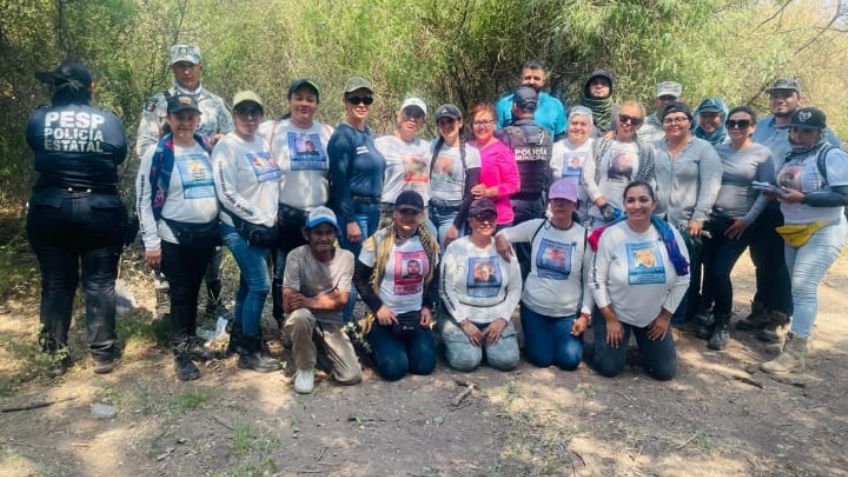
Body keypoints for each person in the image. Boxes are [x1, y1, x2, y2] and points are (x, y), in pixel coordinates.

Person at [26, 60, 128, 376]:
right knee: (99, 282)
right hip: (99, 209)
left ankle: (54, 356)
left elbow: (35, 146)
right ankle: (103, 355)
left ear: (54, 87)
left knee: (56, 282)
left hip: (51, 207)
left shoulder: (39, 118)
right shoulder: (108, 120)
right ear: (91, 88)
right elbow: (119, 154)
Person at [136, 44, 233, 321]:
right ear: (173, 68)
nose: (186, 70)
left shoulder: (214, 102)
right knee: (168, 255)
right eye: (180, 65)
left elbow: (230, 138)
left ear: (201, 67)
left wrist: (219, 142)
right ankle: (165, 309)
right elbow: (144, 144)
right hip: (170, 187)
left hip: (206, 185)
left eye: (191, 65)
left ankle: (215, 303)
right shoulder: (159, 102)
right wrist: (170, 158)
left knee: (213, 254)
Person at [745, 78, 841, 341]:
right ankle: (761, 309)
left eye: (787, 95)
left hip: (803, 211)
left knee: (790, 270)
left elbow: (835, 171)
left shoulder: (817, 128)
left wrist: (806, 196)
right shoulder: (761, 126)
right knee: (763, 260)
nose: (780, 99)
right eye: (776, 95)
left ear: (797, 97)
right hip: (765, 201)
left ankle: (780, 316)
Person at [136, 94, 219, 381]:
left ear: (198, 120)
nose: (185, 122)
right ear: (168, 119)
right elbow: (144, 199)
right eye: (179, 117)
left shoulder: (204, 147)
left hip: (205, 234)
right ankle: (181, 352)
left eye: (190, 117)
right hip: (172, 234)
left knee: (193, 289)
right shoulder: (158, 153)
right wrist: (151, 241)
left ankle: (191, 340)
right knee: (181, 293)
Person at [760, 107, 848, 374]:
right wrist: (776, 194)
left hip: (823, 229)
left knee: (802, 286)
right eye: (795, 129)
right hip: (794, 228)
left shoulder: (831, 155)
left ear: (819, 132)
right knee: (797, 286)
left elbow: (843, 194)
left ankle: (795, 354)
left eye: (805, 131)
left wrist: (805, 199)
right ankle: (801, 338)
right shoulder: (792, 155)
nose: (798, 134)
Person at [590, 181, 690, 380]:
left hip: (653, 316)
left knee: (665, 372)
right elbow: (596, 279)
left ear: (653, 204)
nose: (637, 206)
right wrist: (610, 318)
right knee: (609, 368)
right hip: (615, 312)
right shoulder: (612, 235)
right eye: (631, 200)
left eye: (643, 200)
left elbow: (683, 277)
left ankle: (640, 346)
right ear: (624, 205)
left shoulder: (669, 235)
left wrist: (665, 317)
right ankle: (603, 343)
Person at [213, 91, 280, 373]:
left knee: (246, 285)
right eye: (243, 112)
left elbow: (271, 182)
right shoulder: (227, 147)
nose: (249, 117)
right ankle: (250, 350)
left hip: (264, 227)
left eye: (255, 112)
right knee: (260, 284)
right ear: (234, 114)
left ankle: (239, 338)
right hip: (238, 227)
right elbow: (225, 192)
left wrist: (271, 216)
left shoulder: (262, 143)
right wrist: (259, 217)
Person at [496, 179, 592, 370]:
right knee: (541, 359)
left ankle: (556, 338)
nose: (560, 204)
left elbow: (590, 280)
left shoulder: (584, 237)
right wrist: (500, 239)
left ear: (575, 204)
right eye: (556, 200)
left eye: (565, 200)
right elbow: (505, 233)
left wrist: (585, 315)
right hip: (534, 309)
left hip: (566, 313)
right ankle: (535, 336)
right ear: (549, 202)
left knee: (569, 360)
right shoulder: (537, 227)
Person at [260, 79, 334, 328]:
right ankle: (285, 319)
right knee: (284, 271)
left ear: (317, 104)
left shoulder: (326, 132)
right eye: (299, 97)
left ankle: (315, 318)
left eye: (310, 99)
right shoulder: (272, 129)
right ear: (289, 100)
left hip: (319, 215)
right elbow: (242, 143)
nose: (304, 103)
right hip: (287, 214)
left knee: (318, 270)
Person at [698, 106, 773, 349]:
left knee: (721, 271)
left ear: (753, 127)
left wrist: (747, 220)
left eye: (742, 123)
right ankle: (709, 315)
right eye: (732, 123)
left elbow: (766, 192)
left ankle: (722, 325)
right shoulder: (716, 150)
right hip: (713, 219)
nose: (736, 128)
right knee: (709, 271)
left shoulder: (762, 154)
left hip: (739, 223)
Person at [354, 191, 440, 381]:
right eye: (404, 212)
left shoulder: (429, 244)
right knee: (394, 370)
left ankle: (405, 345)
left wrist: (427, 306)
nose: (408, 217)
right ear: (394, 213)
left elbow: (435, 276)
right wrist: (378, 307)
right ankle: (372, 341)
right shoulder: (378, 241)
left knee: (424, 366)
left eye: (414, 213)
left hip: (415, 315)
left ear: (421, 215)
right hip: (386, 317)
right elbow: (359, 278)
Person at [652, 102, 722, 326]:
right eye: (669, 119)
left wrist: (699, 216)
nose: (674, 123)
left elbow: (711, 185)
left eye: (680, 118)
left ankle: (678, 318)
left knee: (683, 269)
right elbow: (645, 178)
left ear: (689, 122)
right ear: (662, 123)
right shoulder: (654, 147)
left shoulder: (703, 149)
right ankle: (655, 312)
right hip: (657, 218)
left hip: (686, 220)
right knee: (659, 268)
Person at [283, 207, 362, 393]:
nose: (324, 238)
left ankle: (313, 348)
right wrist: (327, 299)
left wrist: (308, 301)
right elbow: (288, 303)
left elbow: (341, 300)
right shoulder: (295, 256)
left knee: (351, 376)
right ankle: (305, 368)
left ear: (336, 234)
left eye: (329, 233)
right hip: (302, 318)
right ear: (306, 234)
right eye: (318, 233)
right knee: (301, 317)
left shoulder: (346, 258)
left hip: (331, 321)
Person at [439, 199, 522, 371]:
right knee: (467, 361)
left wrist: (503, 319)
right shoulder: (456, 248)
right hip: (463, 314)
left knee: (507, 361)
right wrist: (464, 323)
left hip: (495, 314)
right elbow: (445, 289)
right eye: (480, 217)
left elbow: (515, 288)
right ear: (470, 220)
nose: (486, 222)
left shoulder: (505, 249)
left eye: (490, 217)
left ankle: (486, 345)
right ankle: (450, 341)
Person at [328, 76, 386, 322]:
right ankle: (341, 328)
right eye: (355, 99)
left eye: (366, 99)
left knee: (365, 271)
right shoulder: (342, 137)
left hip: (373, 212)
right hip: (354, 213)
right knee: (353, 273)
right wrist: (349, 219)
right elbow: (338, 181)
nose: (361, 104)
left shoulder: (368, 134)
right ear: (344, 102)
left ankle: (350, 325)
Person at [495, 87, 553, 278]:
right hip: (537, 203)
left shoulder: (504, 135)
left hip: (511, 204)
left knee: (507, 251)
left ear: (514, 107)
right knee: (530, 250)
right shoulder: (546, 136)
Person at [582, 101, 655, 228]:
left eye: (634, 120)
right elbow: (586, 177)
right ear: (617, 117)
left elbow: (649, 184)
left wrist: (636, 208)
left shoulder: (646, 151)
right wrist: (603, 205)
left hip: (630, 218)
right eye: (624, 118)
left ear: (640, 124)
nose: (628, 123)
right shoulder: (599, 145)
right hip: (599, 217)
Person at [429, 104, 482, 248]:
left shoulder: (471, 153)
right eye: (442, 122)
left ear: (460, 122)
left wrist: (456, 226)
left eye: (450, 121)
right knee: (429, 259)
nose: (446, 126)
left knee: (448, 260)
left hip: (452, 214)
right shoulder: (431, 147)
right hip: (429, 211)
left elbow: (471, 193)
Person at [376, 97, 431, 228]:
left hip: (420, 210)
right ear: (399, 116)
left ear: (422, 121)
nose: (412, 118)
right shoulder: (382, 143)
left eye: (417, 115)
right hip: (390, 208)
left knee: (422, 248)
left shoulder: (427, 147)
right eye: (408, 113)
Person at [468, 102, 520, 229]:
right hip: (473, 217)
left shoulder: (502, 151)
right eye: (477, 122)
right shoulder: (467, 147)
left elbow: (514, 185)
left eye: (486, 122)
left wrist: (488, 192)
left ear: (494, 124)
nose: (481, 127)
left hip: (498, 218)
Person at [495, 59, 566, 138]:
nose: (531, 82)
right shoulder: (504, 104)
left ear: (543, 81)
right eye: (527, 78)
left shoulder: (555, 105)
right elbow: (496, 137)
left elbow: (560, 137)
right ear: (521, 79)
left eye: (536, 78)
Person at [551, 106, 595, 223]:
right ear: (567, 125)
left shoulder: (597, 147)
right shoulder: (556, 148)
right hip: (560, 212)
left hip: (590, 214)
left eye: (583, 124)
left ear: (590, 128)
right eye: (574, 123)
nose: (578, 128)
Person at [579, 69, 616, 135]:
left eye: (604, 83)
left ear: (610, 88)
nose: (599, 86)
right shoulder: (576, 112)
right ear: (588, 87)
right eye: (595, 83)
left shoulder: (620, 113)